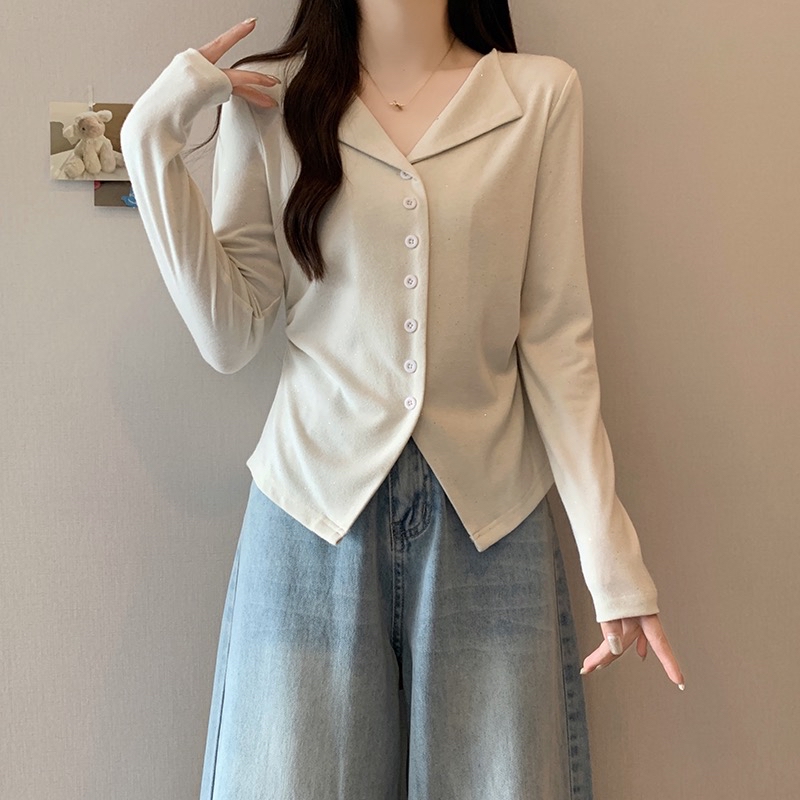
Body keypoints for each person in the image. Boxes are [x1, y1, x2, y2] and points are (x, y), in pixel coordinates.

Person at [120, 2, 684, 797]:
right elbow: (230, 337)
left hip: (491, 521)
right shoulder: (270, 98)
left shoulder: (538, 96)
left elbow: (557, 339)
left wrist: (611, 559)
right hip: (311, 514)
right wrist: (149, 139)